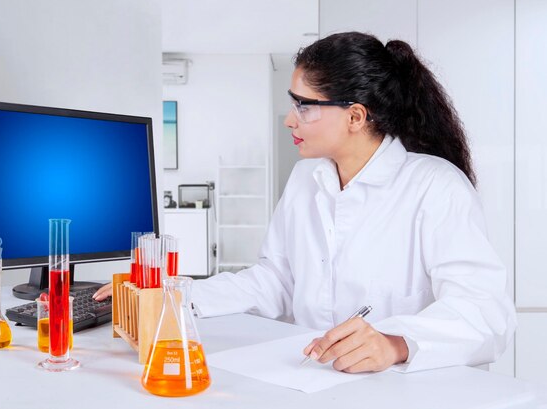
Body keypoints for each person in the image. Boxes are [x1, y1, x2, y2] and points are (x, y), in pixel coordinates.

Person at [94, 31, 516, 373]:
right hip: (309, 378)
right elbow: (275, 281)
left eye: (304, 106)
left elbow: (485, 313)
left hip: (399, 389)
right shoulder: (304, 179)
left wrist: (395, 344)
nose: (290, 119)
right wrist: (172, 295)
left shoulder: (436, 187)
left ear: (355, 116)